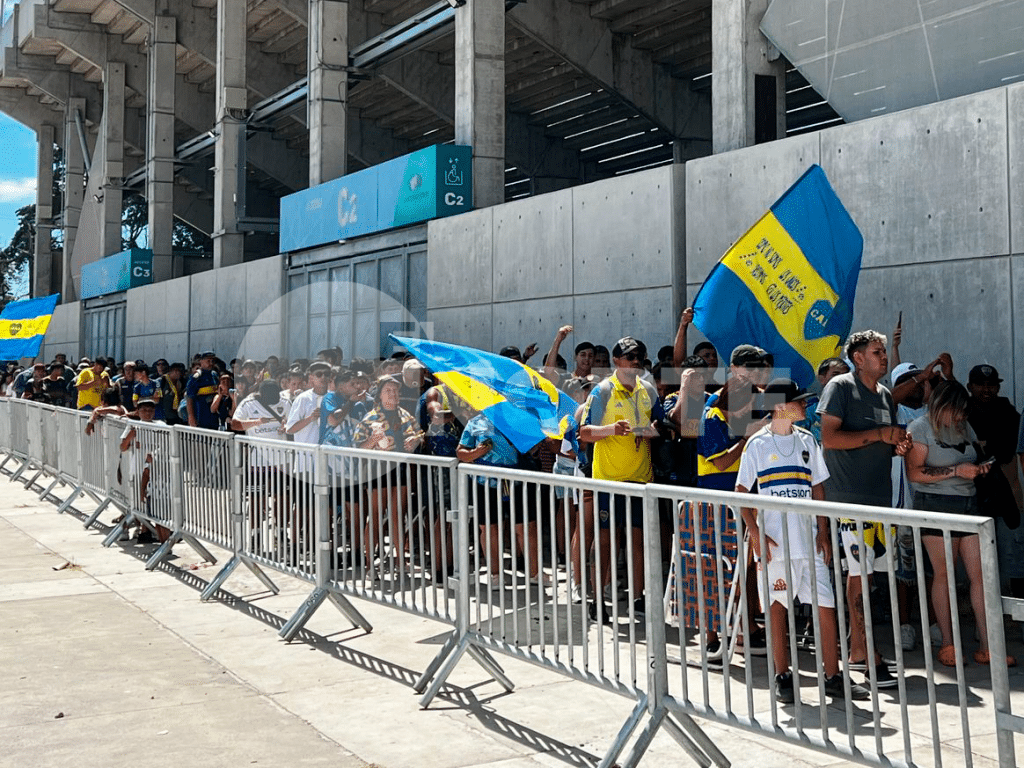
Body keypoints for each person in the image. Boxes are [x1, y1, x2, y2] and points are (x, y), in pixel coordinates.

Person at [737, 378, 870, 702]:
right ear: (780, 406)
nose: (806, 406)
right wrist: (755, 532)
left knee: (825, 605)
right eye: (800, 401)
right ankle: (782, 675)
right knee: (777, 608)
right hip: (776, 548)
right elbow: (741, 493)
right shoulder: (757, 445)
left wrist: (823, 531)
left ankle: (833, 675)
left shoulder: (808, 441)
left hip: (809, 542)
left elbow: (818, 488)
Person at [818, 330, 911, 688]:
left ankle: (858, 651)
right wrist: (879, 435)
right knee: (858, 574)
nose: (884, 356)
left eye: (884, 350)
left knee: (869, 575)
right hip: (848, 500)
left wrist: (896, 445)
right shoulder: (840, 387)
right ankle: (867, 653)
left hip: (879, 500)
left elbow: (884, 442)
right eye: (877, 351)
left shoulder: (886, 394)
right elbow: (829, 439)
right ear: (858, 357)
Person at [906, 381, 1015, 667]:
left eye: (963, 412)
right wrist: (956, 470)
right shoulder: (920, 428)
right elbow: (915, 473)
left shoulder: (964, 427)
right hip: (935, 505)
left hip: (969, 504)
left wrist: (979, 468)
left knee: (980, 576)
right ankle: (948, 643)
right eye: (956, 411)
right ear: (942, 405)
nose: (960, 417)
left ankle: (987, 644)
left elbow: (973, 455)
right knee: (944, 575)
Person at [579, 336, 662, 621]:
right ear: (616, 361)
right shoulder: (602, 391)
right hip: (609, 480)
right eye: (629, 357)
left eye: (639, 356)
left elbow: (661, 426)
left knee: (639, 541)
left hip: (641, 479)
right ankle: (597, 599)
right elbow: (584, 433)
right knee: (605, 542)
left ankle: (638, 597)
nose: (635, 362)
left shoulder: (648, 391)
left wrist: (651, 431)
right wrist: (611, 430)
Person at [353, 375, 423, 574]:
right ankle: (369, 564)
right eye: (388, 390)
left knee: (397, 515)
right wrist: (373, 441)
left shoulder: (405, 415)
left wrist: (416, 441)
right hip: (377, 470)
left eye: (396, 390)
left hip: (399, 469)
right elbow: (357, 446)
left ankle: (401, 562)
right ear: (380, 395)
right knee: (375, 516)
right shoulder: (370, 418)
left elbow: (419, 433)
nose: (393, 394)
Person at [185, 351, 220, 429]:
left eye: (212, 361)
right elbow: (189, 398)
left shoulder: (214, 375)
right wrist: (191, 416)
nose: (211, 363)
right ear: (201, 362)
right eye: (208, 361)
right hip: (201, 415)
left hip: (214, 416)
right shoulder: (196, 377)